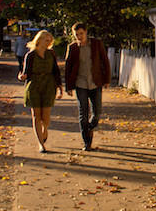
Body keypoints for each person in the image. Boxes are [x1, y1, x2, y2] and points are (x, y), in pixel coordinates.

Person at [64, 23, 111, 151]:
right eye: (76, 35)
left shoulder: (96, 44)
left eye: (81, 34)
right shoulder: (72, 48)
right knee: (83, 113)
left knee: (97, 112)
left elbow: (105, 61)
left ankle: (90, 127)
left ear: (86, 32)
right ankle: (87, 142)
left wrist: (107, 79)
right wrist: (68, 86)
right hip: (81, 84)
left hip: (95, 82)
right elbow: (68, 68)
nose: (79, 37)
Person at [17, 29, 61, 153]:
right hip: (34, 85)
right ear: (39, 39)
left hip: (48, 84)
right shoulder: (30, 55)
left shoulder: (51, 54)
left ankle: (45, 130)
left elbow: (55, 71)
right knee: (36, 115)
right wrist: (21, 77)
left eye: (49, 40)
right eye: (46, 40)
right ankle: (41, 144)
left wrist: (60, 86)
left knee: (45, 116)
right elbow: (25, 72)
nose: (48, 42)